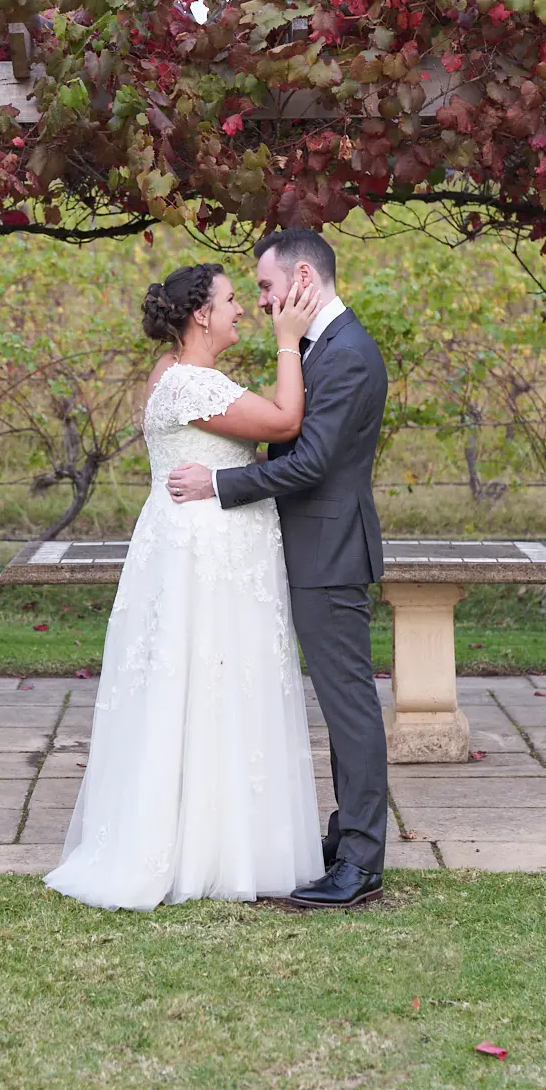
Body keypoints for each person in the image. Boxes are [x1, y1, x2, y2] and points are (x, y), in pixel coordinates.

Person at [44, 261, 323, 910]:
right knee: (209, 686)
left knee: (209, 689)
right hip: (207, 558)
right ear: (201, 313)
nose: (241, 310)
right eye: (231, 300)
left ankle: (218, 843)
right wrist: (290, 338)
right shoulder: (190, 384)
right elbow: (285, 422)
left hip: (203, 548)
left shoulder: (176, 377)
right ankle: (204, 851)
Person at [167, 228, 389, 909]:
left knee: (348, 706)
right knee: (338, 701)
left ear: (300, 278)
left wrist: (220, 485)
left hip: (327, 552)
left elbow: (313, 462)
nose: (260, 302)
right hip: (308, 548)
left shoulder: (345, 352)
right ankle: (342, 835)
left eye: (264, 288)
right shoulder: (323, 344)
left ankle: (360, 861)